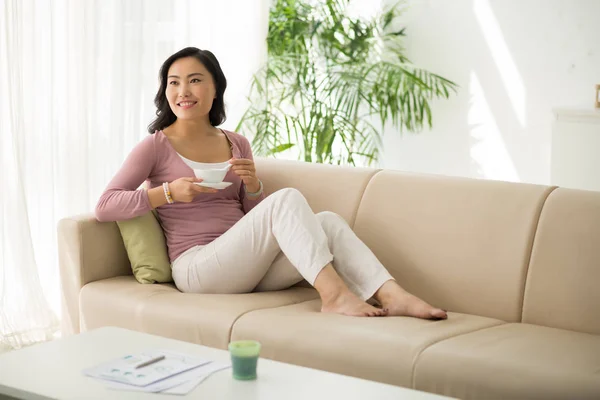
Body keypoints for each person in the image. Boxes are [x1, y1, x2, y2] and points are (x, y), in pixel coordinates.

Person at [95, 47, 447, 320]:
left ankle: (391, 294)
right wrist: (168, 193)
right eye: (174, 81)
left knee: (328, 222)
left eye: (195, 80)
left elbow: (255, 218)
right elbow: (105, 204)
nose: (183, 90)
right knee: (289, 198)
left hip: (245, 267)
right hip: (198, 268)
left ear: (215, 88)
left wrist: (252, 187)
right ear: (166, 90)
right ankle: (335, 296)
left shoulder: (235, 142)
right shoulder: (156, 145)